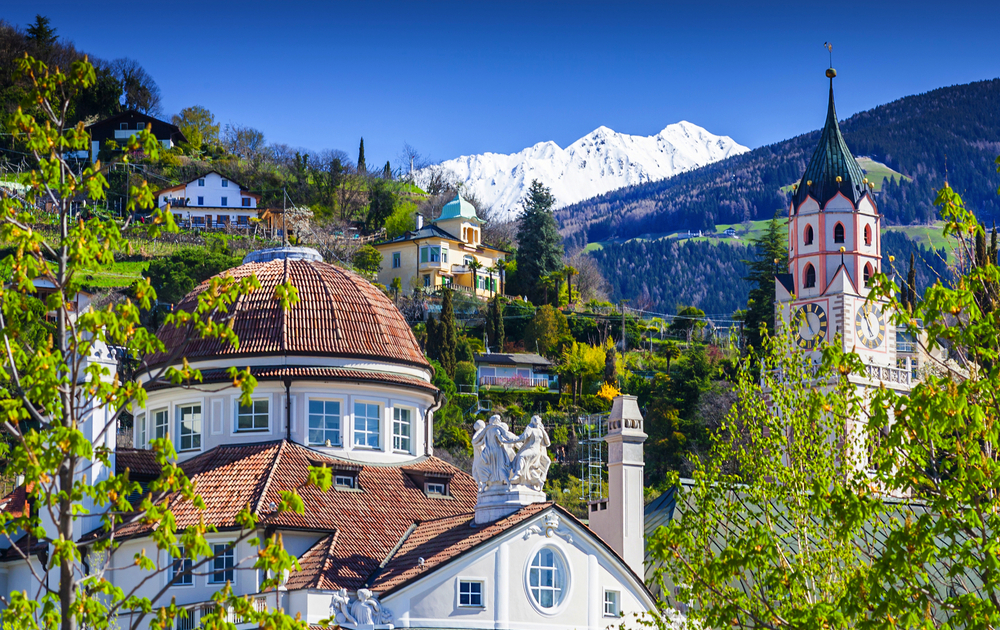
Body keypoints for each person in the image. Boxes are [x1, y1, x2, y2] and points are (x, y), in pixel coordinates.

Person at [504, 416, 551, 491]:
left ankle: (518, 474)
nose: (537, 419)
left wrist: (543, 430)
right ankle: (535, 480)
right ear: (532, 420)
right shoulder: (530, 429)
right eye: (535, 418)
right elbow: (523, 437)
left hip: (534, 451)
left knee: (522, 456)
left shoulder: (539, 431)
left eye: (538, 418)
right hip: (532, 450)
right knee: (527, 464)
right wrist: (512, 440)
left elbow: (547, 443)